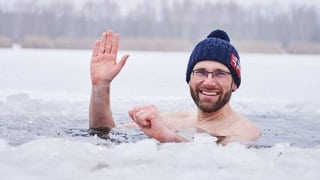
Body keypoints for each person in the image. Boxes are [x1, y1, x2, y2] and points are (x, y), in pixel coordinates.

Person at [89, 29, 261, 145]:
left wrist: (167, 137)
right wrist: (101, 86)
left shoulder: (244, 131)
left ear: (235, 84)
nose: (209, 82)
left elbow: (218, 165)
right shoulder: (175, 121)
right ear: (189, 79)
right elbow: (105, 132)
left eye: (219, 74)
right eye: (201, 72)